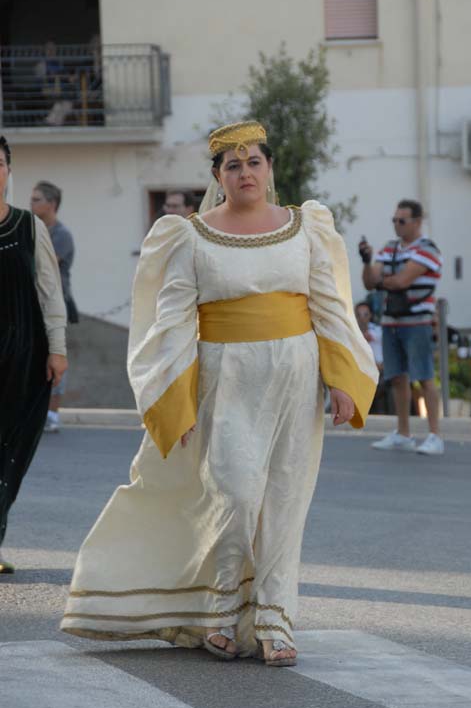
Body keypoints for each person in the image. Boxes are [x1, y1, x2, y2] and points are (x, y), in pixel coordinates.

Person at [61, 121, 378, 665]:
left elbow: (329, 305)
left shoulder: (305, 227)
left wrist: (342, 379)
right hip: (224, 381)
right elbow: (174, 321)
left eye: (254, 161)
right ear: (218, 176)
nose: (246, 172)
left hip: (294, 377)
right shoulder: (193, 234)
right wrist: (174, 399)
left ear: (269, 168)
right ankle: (222, 608)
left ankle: (276, 621)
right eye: (233, 165)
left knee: (284, 500)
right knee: (233, 497)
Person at [0, 135, 67, 574]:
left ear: (8, 170)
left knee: (12, 451)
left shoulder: (30, 227)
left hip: (22, 357)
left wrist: (57, 348)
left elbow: (49, 290)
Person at [359, 199, 444, 454]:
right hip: (391, 321)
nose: (396, 224)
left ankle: (435, 436)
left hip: (417, 322)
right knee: (397, 378)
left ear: (417, 222)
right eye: (394, 220)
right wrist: (366, 260)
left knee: (425, 378)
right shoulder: (389, 248)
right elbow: (370, 282)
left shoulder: (428, 249)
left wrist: (380, 280)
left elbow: (401, 281)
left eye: (402, 220)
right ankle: (404, 434)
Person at [31, 181, 76, 433]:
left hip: (57, 302)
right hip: (31, 304)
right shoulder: (30, 229)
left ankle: (53, 413)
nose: (32, 204)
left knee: (56, 354)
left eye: (37, 199)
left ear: (52, 204)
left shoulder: (61, 235)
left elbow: (43, 266)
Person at [355, 301, 390, 414]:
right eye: (359, 315)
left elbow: (370, 337)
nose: (362, 318)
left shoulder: (378, 330)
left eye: (365, 314)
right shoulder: (351, 331)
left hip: (378, 370)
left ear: (370, 315)